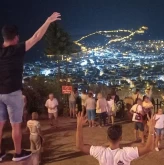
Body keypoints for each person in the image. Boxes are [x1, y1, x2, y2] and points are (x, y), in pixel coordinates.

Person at [0, 12, 61, 161]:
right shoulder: (17, 49)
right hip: (13, 92)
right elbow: (36, 37)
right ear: (16, 38)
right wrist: (48, 21)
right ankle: (19, 153)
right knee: (15, 125)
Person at [76, 112, 156, 165]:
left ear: (108, 138)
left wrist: (79, 125)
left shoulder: (100, 152)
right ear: (120, 138)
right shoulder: (126, 153)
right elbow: (149, 148)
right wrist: (151, 129)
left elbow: (80, 146)